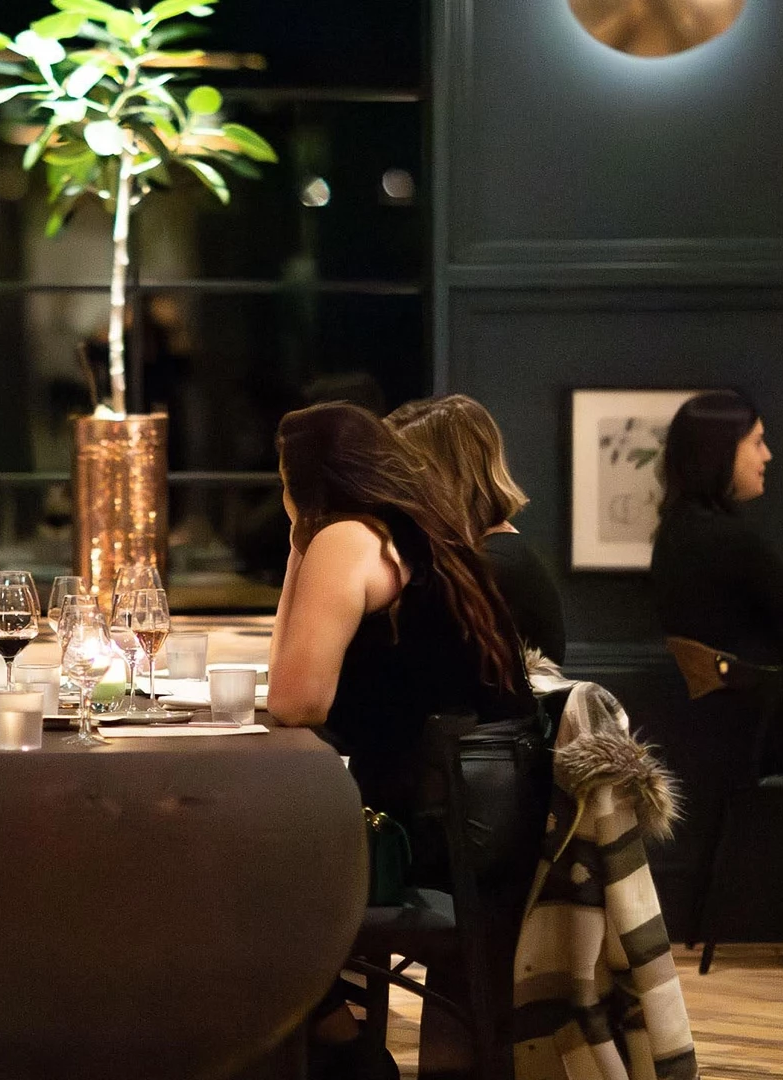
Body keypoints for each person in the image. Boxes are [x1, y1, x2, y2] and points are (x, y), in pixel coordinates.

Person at [267, 402, 532, 1079]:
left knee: (222, 859)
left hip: (411, 835)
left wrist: (305, 540)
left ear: (308, 484)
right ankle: (334, 1038)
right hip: (485, 826)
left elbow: (293, 701)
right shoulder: (427, 535)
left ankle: (340, 1043)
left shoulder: (351, 539)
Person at [388, 394, 567, 663]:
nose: (394, 493)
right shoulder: (498, 555)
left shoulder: (490, 567)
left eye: (405, 476)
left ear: (445, 478)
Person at [650, 391, 783, 666]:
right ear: (721, 451)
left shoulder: (675, 531)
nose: (767, 455)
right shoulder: (730, 541)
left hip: (715, 704)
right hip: (758, 700)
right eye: (757, 442)